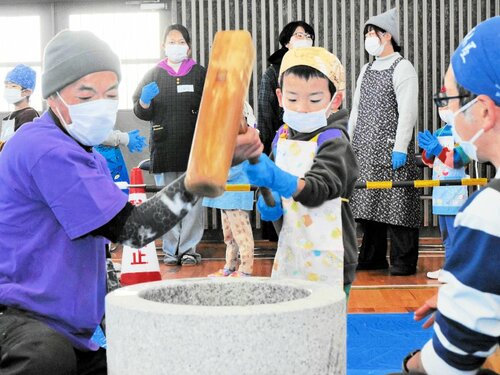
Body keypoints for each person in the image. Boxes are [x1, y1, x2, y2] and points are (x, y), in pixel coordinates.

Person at [0, 29, 263, 374]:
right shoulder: (45, 148)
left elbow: (96, 252)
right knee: (45, 360)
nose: (100, 102)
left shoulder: (83, 152)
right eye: (85, 94)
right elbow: (134, 230)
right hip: (19, 321)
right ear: (53, 97)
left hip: (65, 328)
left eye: (110, 94)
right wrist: (207, 169)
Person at [399, 16, 500, 375]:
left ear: (485, 111)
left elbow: (449, 363)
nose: (449, 111)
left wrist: (409, 365)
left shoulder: (490, 213)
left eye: (451, 99)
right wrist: (472, 294)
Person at [245, 47, 359, 296]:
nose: (303, 108)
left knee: (326, 331)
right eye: (293, 99)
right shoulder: (283, 136)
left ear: (335, 100)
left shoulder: (334, 140)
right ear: (279, 96)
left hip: (332, 256)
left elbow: (320, 188)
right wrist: (269, 202)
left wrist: (276, 179)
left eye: (315, 100)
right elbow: (271, 186)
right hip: (293, 250)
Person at [348, 7, 421, 276]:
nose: (369, 37)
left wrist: (400, 147)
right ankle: (372, 257)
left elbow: (408, 111)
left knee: (398, 205)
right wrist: (349, 142)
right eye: (367, 33)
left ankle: (403, 261)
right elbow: (356, 111)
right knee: (368, 206)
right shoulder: (366, 69)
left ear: (387, 35)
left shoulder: (403, 67)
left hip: (392, 150)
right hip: (365, 150)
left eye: (373, 32)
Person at [133, 24, 206, 267]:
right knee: (166, 200)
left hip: (193, 147)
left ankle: (188, 249)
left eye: (180, 41)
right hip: (164, 146)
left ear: (188, 46)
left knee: (192, 201)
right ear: (163, 46)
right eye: (171, 41)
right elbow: (140, 111)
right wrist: (144, 101)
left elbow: (211, 105)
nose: (176, 46)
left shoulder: (198, 73)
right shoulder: (154, 73)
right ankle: (170, 250)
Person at [257, 21, 316, 244]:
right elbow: (265, 111)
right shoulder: (273, 72)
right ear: (286, 42)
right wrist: (266, 145)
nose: (304, 39)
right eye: (298, 35)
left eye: (308, 35)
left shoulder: (318, 69)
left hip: (312, 143)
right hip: (281, 143)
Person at [417, 88, 470, 280]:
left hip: (456, 192)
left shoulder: (465, 132)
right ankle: (448, 267)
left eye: (448, 103)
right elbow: (429, 161)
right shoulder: (441, 131)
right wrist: (428, 152)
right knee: (445, 235)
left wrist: (437, 148)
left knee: (456, 234)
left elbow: (459, 160)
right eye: (441, 103)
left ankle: (457, 270)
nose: (444, 108)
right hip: (439, 192)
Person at [205, 102, 256, 278]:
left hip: (236, 193)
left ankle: (246, 269)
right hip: (226, 195)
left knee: (242, 234)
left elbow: (235, 169)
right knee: (229, 236)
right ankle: (230, 266)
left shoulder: (244, 139)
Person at [1, 64, 39, 151]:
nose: (8, 89)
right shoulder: (9, 117)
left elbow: (23, 147)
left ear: (27, 92)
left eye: (13, 86)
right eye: (6, 86)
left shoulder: (29, 115)